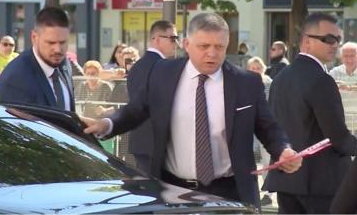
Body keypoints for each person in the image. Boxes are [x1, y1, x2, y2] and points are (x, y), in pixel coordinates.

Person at [80, 12, 302, 210]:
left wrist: (283, 149)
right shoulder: (162, 73)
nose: (212, 54)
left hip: (230, 191)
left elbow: (267, 126)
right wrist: (107, 124)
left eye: (219, 47)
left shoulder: (246, 83)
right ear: (186, 44)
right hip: (173, 190)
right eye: (204, 46)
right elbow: (136, 109)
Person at [263, 13, 357, 214]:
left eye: (338, 40)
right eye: (328, 39)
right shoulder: (322, 79)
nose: (335, 45)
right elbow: (338, 138)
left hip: (287, 181)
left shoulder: (280, 77)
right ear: (306, 41)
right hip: (322, 184)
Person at [0, 7, 75, 111]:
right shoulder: (15, 79)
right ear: (34, 37)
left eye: (63, 42)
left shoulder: (64, 64)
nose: (58, 50)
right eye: (51, 43)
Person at [126, 20, 178, 174]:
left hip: (140, 141)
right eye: (172, 38)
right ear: (156, 39)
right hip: (159, 143)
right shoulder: (164, 67)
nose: (176, 43)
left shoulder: (137, 67)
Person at [246, 56, 273, 205]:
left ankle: (268, 193)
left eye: (258, 68)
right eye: (253, 68)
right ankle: (252, 191)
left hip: (264, 126)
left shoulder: (269, 83)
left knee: (266, 160)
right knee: (250, 160)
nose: (256, 71)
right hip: (247, 126)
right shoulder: (243, 83)